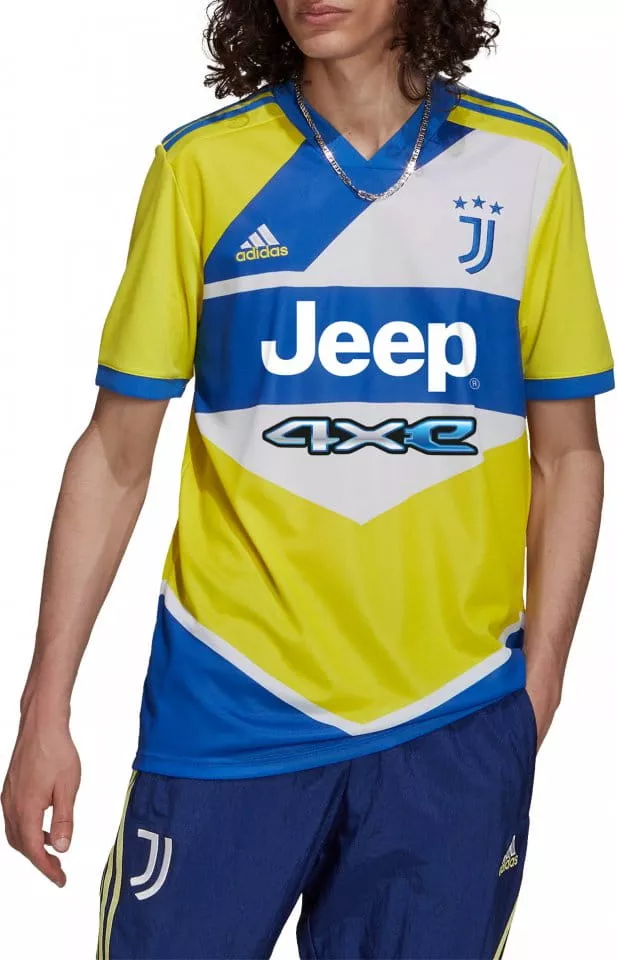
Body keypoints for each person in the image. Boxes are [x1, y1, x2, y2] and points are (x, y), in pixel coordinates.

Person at [2, 0, 614, 957]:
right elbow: (116, 456)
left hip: (451, 718)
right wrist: (45, 705)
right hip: (228, 704)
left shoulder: (526, 164)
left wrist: (536, 690)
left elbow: (567, 454)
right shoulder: (202, 166)